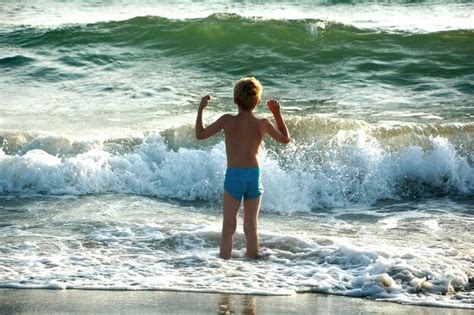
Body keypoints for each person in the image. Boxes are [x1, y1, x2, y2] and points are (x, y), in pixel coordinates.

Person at [195, 77, 290, 259]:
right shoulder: (263, 123)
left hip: (234, 177)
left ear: (235, 100)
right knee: (251, 227)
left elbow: (200, 134)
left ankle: (222, 263)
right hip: (254, 177)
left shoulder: (227, 121)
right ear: (258, 101)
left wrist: (201, 109)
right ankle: (253, 267)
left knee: (228, 226)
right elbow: (285, 139)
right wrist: (277, 114)